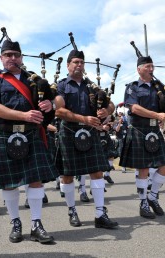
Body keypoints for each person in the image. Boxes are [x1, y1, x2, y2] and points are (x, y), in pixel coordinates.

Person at [0, 40, 57, 243]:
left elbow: (55, 102)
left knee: (35, 180)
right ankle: (15, 222)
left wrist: (49, 104)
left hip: (30, 134)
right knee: (9, 184)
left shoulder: (34, 80)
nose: (12, 58)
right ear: (1, 58)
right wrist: (24, 116)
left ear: (21, 57)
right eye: (8, 55)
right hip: (4, 133)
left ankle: (36, 224)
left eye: (16, 55)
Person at [55, 49, 118, 229]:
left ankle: (100, 214)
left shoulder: (92, 86)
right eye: (75, 62)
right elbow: (58, 111)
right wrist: (83, 119)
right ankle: (72, 210)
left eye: (82, 62)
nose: (79, 65)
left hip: (90, 134)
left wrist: (107, 110)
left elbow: (110, 104)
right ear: (68, 65)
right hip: (69, 132)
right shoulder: (61, 86)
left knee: (97, 172)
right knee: (67, 175)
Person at [119, 55, 165, 219]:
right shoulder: (133, 87)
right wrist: (157, 115)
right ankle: (143, 201)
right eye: (147, 66)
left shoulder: (158, 88)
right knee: (143, 168)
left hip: (154, 129)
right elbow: (135, 108)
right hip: (139, 128)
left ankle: (153, 196)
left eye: (152, 66)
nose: (151, 69)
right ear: (139, 69)